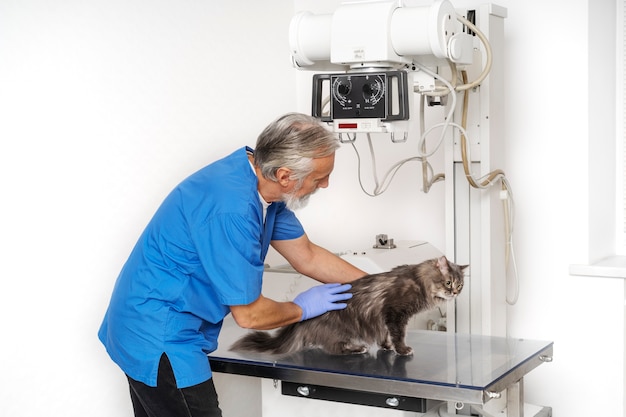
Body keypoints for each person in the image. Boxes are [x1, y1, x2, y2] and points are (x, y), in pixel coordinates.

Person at [98, 112, 366, 417]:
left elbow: (307, 255)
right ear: (284, 175)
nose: (326, 184)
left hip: (148, 318)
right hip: (159, 332)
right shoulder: (233, 210)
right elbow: (250, 315)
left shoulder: (259, 180)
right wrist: (301, 308)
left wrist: (383, 286)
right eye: (319, 178)